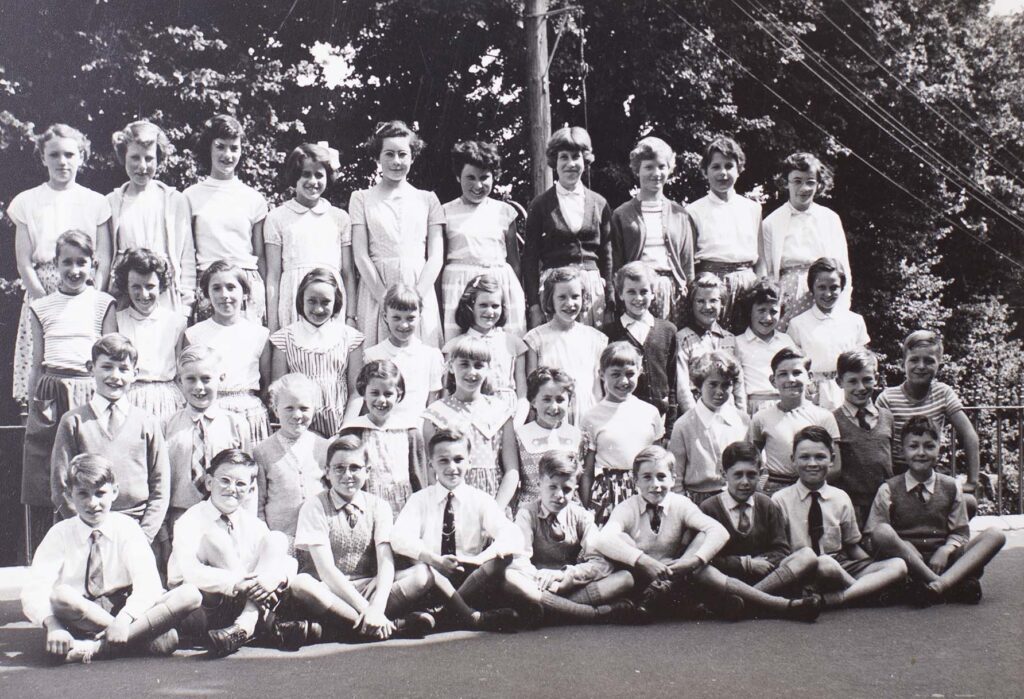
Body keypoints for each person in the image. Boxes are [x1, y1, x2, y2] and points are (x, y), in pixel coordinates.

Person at [595, 446, 820, 622]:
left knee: (703, 538)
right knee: (620, 538)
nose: (656, 485)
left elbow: (718, 532)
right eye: (647, 477)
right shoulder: (627, 507)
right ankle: (781, 605)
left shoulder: (681, 504)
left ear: (673, 479)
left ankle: (780, 606)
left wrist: (690, 562)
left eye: (662, 477)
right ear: (635, 481)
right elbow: (602, 539)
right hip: (643, 581)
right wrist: (644, 561)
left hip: (673, 578)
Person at [22, 454, 201, 663]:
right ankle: (141, 639)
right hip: (83, 613)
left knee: (190, 594)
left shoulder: (126, 527)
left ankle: (94, 647)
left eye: (100, 493)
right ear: (70, 495)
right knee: (61, 597)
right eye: (83, 494)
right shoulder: (59, 533)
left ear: (114, 492)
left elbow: (148, 584)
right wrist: (53, 626)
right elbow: (35, 589)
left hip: (125, 605)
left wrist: (124, 619)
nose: (93, 503)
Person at [21, 231, 116, 556]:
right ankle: (52, 555)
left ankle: (96, 552)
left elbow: (111, 357)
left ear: (93, 265)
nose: (75, 270)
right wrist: (31, 403)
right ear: (55, 265)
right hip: (51, 389)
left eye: (82, 262)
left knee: (91, 467)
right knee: (49, 470)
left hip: (90, 390)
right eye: (67, 263)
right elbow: (36, 363)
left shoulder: (103, 303)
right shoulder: (42, 306)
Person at [291, 433, 437, 643]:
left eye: (355, 468)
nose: (347, 475)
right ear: (327, 472)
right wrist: (366, 609)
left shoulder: (379, 506)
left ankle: (349, 626)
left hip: (367, 586)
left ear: (367, 472)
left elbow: (385, 559)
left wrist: (376, 605)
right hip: (330, 590)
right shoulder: (315, 506)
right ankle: (389, 627)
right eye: (339, 468)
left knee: (423, 574)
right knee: (300, 583)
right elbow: (326, 571)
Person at [7, 124, 112, 407]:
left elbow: (103, 258)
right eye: (54, 155)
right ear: (43, 157)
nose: (62, 162)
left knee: (83, 362)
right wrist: (45, 303)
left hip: (85, 291)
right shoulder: (28, 201)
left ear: (82, 156)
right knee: (42, 365)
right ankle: (37, 423)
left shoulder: (97, 202)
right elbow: (23, 262)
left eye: (69, 154)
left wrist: (93, 299)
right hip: (44, 289)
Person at [168, 449, 307, 657]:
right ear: (209, 483)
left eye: (240, 484)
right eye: (224, 480)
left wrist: (273, 578)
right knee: (216, 540)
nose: (232, 489)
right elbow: (191, 571)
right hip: (203, 606)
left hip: (239, 605)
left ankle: (245, 625)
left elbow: (287, 562)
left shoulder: (252, 524)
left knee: (276, 539)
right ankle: (267, 626)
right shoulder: (190, 521)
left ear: (251, 490)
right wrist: (238, 582)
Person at [390, 428, 523, 632]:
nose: (452, 467)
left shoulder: (480, 499)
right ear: (431, 463)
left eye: (458, 459)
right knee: (423, 570)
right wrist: (434, 559)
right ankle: (470, 617)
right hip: (433, 578)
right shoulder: (420, 500)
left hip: (469, 578)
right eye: (443, 460)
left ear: (469, 461)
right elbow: (398, 537)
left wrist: (480, 559)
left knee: (501, 559)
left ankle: (440, 615)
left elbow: (512, 535)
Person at [865, 417, 1005, 606]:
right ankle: (947, 585)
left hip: (944, 560)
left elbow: (960, 533)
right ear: (902, 451)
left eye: (929, 446)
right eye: (913, 446)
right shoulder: (889, 489)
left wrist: (946, 549)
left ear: (939, 447)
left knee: (995, 535)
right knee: (881, 531)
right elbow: (873, 537)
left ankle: (936, 587)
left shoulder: (951, 486)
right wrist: (906, 546)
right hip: (908, 561)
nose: (921, 453)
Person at [50, 334, 170, 546]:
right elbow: (61, 486)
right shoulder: (74, 422)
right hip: (87, 530)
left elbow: (160, 486)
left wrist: (144, 536)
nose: (115, 376)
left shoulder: (147, 422)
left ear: (135, 373)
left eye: (123, 369)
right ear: (90, 368)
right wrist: (89, 531)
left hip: (137, 528)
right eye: (107, 367)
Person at [772, 427, 907, 608]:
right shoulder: (780, 499)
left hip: (840, 567)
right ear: (793, 460)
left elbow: (851, 545)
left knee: (898, 565)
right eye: (804, 457)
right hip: (804, 569)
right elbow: (780, 551)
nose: (812, 463)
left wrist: (872, 567)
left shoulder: (840, 497)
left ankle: (839, 597)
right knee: (825, 563)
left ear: (832, 460)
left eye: (820, 457)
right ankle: (864, 592)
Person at [504, 451, 637, 624]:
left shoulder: (581, 515)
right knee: (510, 576)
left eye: (566, 489)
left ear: (574, 489)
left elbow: (600, 562)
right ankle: (594, 614)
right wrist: (542, 577)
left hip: (571, 585)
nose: (559, 495)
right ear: (539, 484)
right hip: (539, 585)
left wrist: (567, 575)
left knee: (625, 578)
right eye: (552, 487)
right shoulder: (527, 514)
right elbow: (520, 561)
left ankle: (550, 612)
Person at [349, 120, 444, 347]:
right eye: (389, 154)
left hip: (418, 285)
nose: (396, 161)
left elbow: (436, 256)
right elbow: (360, 254)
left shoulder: (428, 199)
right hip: (377, 289)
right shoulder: (361, 198)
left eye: (403, 154)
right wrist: (384, 298)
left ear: (412, 156)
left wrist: (416, 299)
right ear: (378, 157)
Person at [523, 126, 613, 330]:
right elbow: (529, 258)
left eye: (576, 157)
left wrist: (610, 299)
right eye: (564, 157)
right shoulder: (540, 205)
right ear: (555, 162)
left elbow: (607, 256)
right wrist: (534, 306)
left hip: (591, 289)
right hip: (555, 290)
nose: (571, 164)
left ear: (585, 160)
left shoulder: (599, 203)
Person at [700, 442, 819, 594]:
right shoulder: (709, 508)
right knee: (703, 570)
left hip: (764, 578)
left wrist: (762, 563)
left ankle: (748, 597)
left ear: (760, 473)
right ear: (724, 474)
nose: (745, 482)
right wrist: (746, 564)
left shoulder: (766, 504)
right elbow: (706, 557)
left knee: (807, 556)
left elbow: (781, 550)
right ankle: (759, 599)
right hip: (726, 580)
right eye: (738, 475)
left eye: (751, 475)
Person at [876, 330, 980, 501]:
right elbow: (879, 445)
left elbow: (969, 434)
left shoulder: (943, 393)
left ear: (939, 364)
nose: (921, 366)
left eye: (929, 361)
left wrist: (973, 481)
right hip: (898, 471)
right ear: (904, 363)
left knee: (967, 502)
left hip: (929, 467)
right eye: (914, 360)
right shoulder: (888, 398)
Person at [184, 114, 268, 323]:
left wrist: (266, 297)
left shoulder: (254, 198)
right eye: (220, 146)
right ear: (209, 148)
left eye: (234, 148)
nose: (227, 155)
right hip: (208, 283)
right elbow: (186, 253)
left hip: (245, 282)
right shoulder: (190, 196)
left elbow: (261, 257)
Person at [162, 345, 248, 549]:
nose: (199, 387)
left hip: (226, 519)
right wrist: (164, 534)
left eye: (206, 379)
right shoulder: (166, 426)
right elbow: (159, 483)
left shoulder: (236, 424)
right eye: (190, 379)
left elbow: (249, 480)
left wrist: (246, 528)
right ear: (178, 381)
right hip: (180, 517)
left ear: (221, 378)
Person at [264, 143, 355, 333]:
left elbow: (348, 272)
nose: (313, 181)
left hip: (331, 300)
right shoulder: (277, 217)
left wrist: (350, 316)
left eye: (319, 175)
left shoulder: (339, 218)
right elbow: (273, 275)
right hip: (292, 297)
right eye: (306, 174)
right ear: (294, 177)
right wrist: (273, 325)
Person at [107, 120, 195, 318]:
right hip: (125, 295)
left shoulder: (174, 201)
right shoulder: (111, 202)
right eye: (135, 158)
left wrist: (186, 305)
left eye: (149, 158)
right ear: (124, 157)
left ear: (158, 159)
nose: (142, 166)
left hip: (165, 295)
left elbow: (186, 255)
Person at [441, 140, 526, 339]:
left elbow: (514, 262)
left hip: (499, 284)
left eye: (484, 177)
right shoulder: (445, 212)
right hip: (457, 286)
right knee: (460, 346)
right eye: (470, 177)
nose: (478, 185)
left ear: (494, 177)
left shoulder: (504, 212)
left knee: (502, 342)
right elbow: (440, 260)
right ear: (457, 176)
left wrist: (515, 296)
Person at [424, 335, 520, 510]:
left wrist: (495, 512)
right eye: (464, 364)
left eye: (478, 365)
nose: (471, 372)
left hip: (493, 500)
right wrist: (446, 506)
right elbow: (430, 470)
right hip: (451, 503)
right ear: (451, 367)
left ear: (488, 369)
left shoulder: (500, 411)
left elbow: (512, 470)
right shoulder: (435, 413)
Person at [183, 261, 271, 444]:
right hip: (209, 410)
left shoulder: (259, 334)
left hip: (250, 414)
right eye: (216, 288)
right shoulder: (194, 334)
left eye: (231, 287)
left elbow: (266, 384)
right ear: (207, 294)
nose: (224, 295)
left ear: (245, 293)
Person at [610, 136, 694, 326]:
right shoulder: (622, 214)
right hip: (638, 290)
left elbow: (687, 264)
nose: (656, 173)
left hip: (673, 291)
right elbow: (616, 263)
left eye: (661, 167)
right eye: (649, 167)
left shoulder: (680, 214)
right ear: (637, 170)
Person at [270, 268, 364, 437]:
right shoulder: (284, 338)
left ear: (336, 302)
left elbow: (356, 392)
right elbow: (279, 393)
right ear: (301, 301)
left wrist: (344, 431)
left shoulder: (350, 338)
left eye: (325, 302)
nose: (318, 309)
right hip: (298, 428)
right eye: (312, 301)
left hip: (340, 428)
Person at [761, 152, 851, 329]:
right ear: (786, 182)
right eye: (797, 181)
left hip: (823, 290)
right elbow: (768, 271)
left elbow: (843, 268)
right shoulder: (771, 222)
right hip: (786, 294)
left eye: (810, 182)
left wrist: (843, 307)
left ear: (819, 184)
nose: (804, 188)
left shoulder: (830, 219)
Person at [686, 136, 764, 330]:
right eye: (716, 167)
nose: (723, 173)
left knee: (745, 338)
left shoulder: (752, 208)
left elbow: (761, 256)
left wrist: (760, 286)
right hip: (711, 282)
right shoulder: (694, 210)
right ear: (705, 171)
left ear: (739, 170)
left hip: (747, 282)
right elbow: (689, 260)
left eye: (729, 166)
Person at [581, 342, 664, 524]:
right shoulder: (591, 417)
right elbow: (586, 472)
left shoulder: (650, 412)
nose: (623, 381)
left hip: (645, 488)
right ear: (601, 374)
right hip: (608, 492)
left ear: (640, 371)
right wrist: (586, 509)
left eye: (629, 374)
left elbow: (659, 461)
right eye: (615, 374)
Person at [748, 347, 841, 495]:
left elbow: (835, 466)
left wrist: (808, 484)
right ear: (773, 380)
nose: (790, 379)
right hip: (775, 489)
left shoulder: (824, 417)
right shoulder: (761, 417)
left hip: (813, 488)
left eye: (797, 373)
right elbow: (751, 459)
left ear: (809, 377)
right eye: (783, 374)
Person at [340, 360, 427, 515]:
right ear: (363, 393)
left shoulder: (410, 431)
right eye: (374, 393)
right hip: (366, 510)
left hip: (405, 510)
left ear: (398, 395)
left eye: (388, 394)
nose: (381, 400)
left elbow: (419, 476)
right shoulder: (353, 431)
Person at [524, 266, 609, 423]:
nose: (570, 303)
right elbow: (532, 388)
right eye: (562, 297)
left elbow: (598, 389)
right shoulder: (536, 339)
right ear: (550, 299)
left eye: (575, 296)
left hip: (586, 415)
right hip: (550, 416)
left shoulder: (596, 339)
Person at [114, 249, 187, 423]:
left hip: (167, 399)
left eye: (150, 286)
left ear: (161, 286)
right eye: (136, 287)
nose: (144, 294)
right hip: (130, 397)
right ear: (126, 286)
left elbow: (181, 372)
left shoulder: (176, 322)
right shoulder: (118, 320)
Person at [603, 261, 682, 424]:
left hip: (659, 418)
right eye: (631, 292)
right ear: (620, 294)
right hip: (621, 418)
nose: (638, 298)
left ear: (653, 293)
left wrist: (670, 425)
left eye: (644, 291)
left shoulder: (668, 330)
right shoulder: (609, 333)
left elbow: (673, 381)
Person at [786, 257, 869, 410]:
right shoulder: (798, 324)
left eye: (834, 287)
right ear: (812, 288)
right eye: (822, 287)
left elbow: (863, 361)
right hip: (812, 394)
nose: (828, 293)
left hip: (847, 391)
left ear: (842, 288)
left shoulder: (854, 321)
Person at [668, 351, 749, 506]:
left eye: (726, 385)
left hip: (736, 498)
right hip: (697, 502)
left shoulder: (742, 421)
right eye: (713, 384)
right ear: (699, 385)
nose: (719, 391)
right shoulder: (684, 425)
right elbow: (676, 478)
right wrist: (686, 511)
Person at [357, 283, 445, 423]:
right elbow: (366, 406)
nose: (403, 325)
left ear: (420, 317)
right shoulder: (372, 355)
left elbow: (432, 405)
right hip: (383, 432)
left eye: (410, 318)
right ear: (385, 316)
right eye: (396, 318)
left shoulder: (430, 356)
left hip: (418, 432)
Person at [255, 374, 329, 540]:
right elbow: (258, 503)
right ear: (275, 409)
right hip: (280, 537)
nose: (297, 415)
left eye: (304, 408)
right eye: (289, 408)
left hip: (318, 536)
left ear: (314, 409)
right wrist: (265, 537)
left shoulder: (324, 447)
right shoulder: (262, 452)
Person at [443, 274, 528, 416]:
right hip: (467, 415)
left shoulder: (513, 344)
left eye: (495, 306)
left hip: (507, 415)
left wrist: (516, 426)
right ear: (470, 306)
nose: (490, 312)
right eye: (483, 305)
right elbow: (447, 392)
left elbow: (522, 396)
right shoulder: (455, 345)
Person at [832, 349, 894, 527]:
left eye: (867, 379)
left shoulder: (887, 418)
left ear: (877, 379)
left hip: (884, 502)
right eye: (852, 381)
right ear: (839, 382)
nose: (860, 387)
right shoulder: (832, 420)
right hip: (851, 505)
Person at [675, 272, 746, 413]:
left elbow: (738, 383)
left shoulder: (730, 338)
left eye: (713, 301)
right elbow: (682, 387)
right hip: (698, 410)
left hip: (728, 412)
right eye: (700, 301)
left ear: (722, 303)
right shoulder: (683, 338)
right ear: (692, 304)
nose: (707, 307)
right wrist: (695, 419)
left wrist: (741, 416)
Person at [515, 367, 583, 508]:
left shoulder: (577, 435)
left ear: (569, 402)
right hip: (532, 509)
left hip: (567, 507)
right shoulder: (520, 435)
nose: (554, 407)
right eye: (546, 399)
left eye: (560, 400)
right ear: (533, 401)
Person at [734, 277, 796, 415]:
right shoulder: (738, 343)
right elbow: (737, 385)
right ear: (749, 311)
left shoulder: (786, 341)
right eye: (761, 310)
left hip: (785, 405)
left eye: (773, 312)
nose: (767, 318)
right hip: (753, 407)